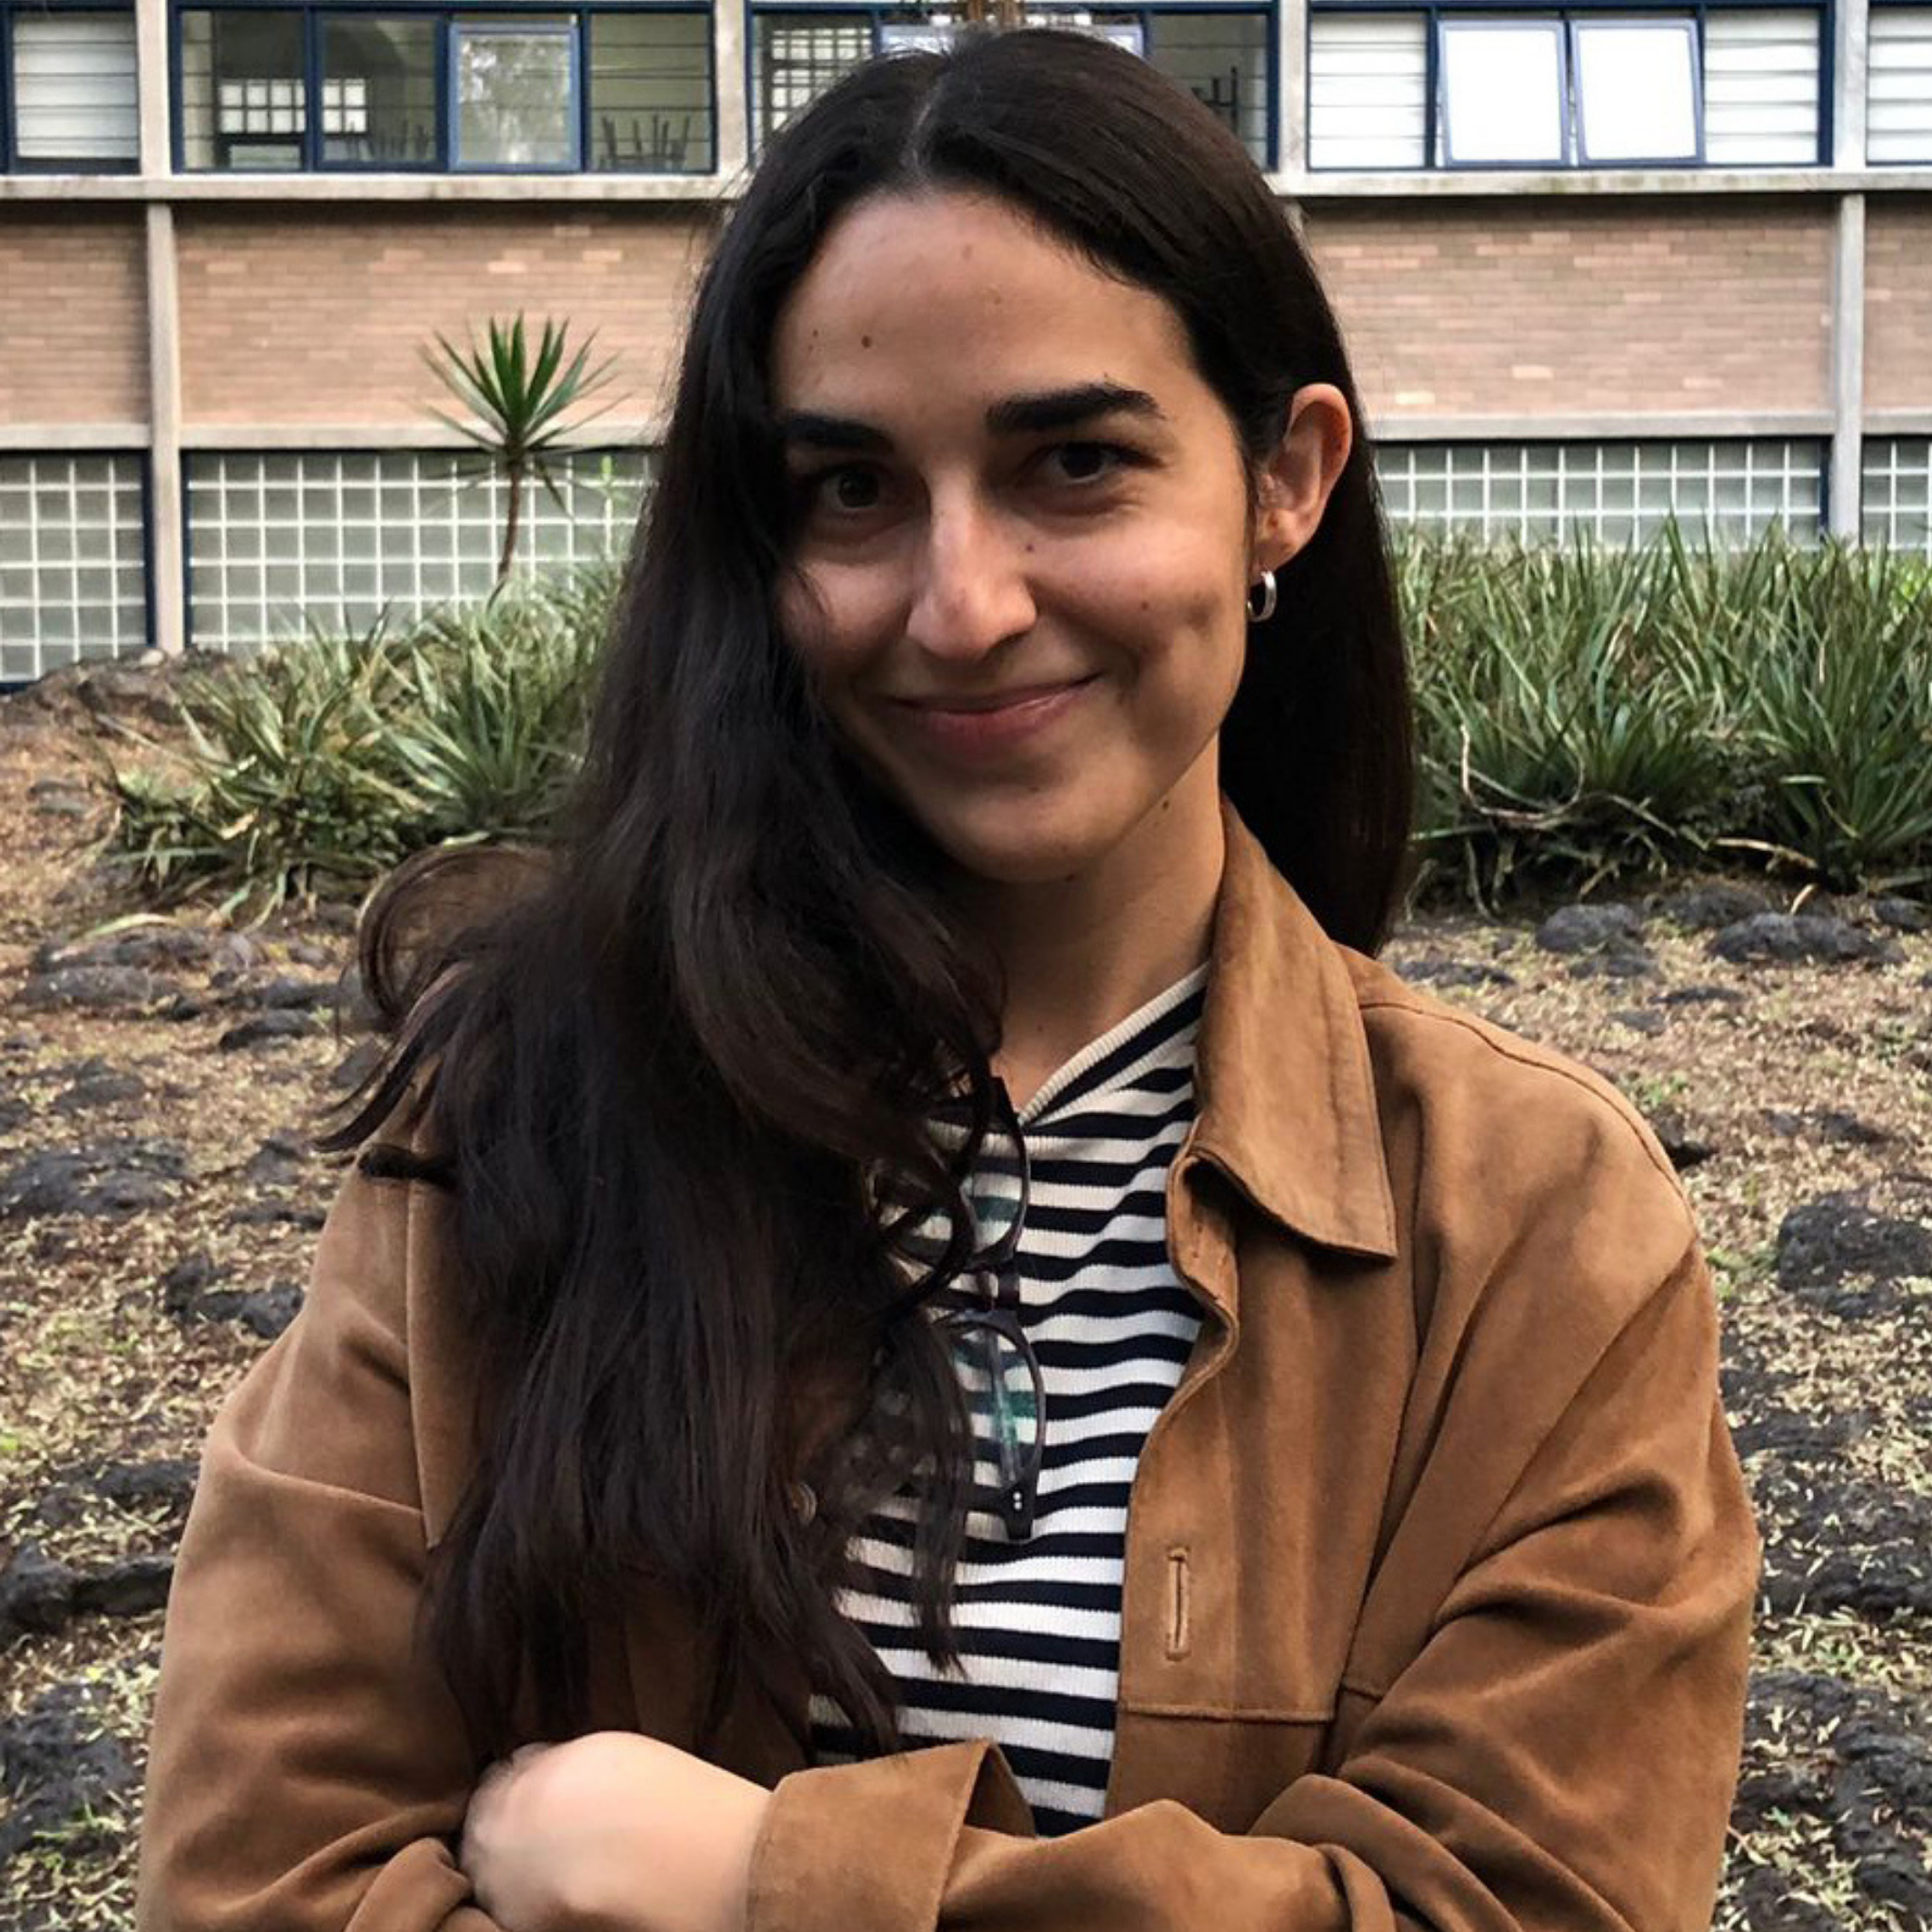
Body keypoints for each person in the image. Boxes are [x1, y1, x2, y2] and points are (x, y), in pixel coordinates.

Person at [135, 28, 1759, 1932]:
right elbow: (266, 1872)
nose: (960, 604)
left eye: (1074, 463)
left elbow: (1525, 1902)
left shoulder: (1533, 1226)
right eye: (849, 492)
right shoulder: (519, 1117)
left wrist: (764, 1876)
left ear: (1283, 484)